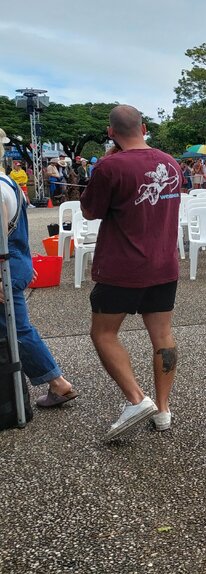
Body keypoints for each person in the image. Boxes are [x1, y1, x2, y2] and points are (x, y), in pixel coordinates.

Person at [80, 105, 182, 440]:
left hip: (121, 267)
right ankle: (163, 410)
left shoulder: (109, 166)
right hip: (163, 264)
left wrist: (108, 163)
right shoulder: (170, 162)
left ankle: (137, 399)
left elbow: (91, 210)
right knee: (162, 335)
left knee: (104, 333)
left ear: (111, 132)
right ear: (145, 127)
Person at [0, 129, 78, 409]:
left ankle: (58, 383)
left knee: (16, 330)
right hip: (16, 263)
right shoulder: (8, 183)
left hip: (5, 270)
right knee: (15, 328)